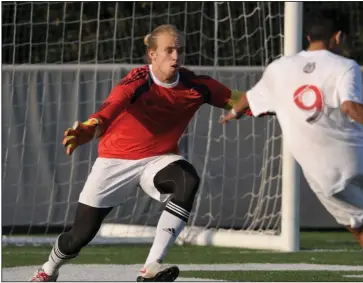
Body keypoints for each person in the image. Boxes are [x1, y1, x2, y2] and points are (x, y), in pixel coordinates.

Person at [220, 8, 363, 282]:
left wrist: (233, 113)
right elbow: (350, 107)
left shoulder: (278, 68)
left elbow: (248, 99)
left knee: (360, 229)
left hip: (318, 169)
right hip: (352, 152)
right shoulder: (344, 65)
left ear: (307, 36)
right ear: (338, 37)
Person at [30, 24, 253, 282]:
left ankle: (151, 266)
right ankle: (48, 270)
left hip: (158, 160)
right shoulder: (136, 82)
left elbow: (245, 101)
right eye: (168, 50)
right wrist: (89, 129)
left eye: (179, 50)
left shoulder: (196, 85)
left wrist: (283, 103)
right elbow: (107, 112)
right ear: (152, 55)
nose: (175, 57)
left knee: (187, 179)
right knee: (79, 236)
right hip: (115, 162)